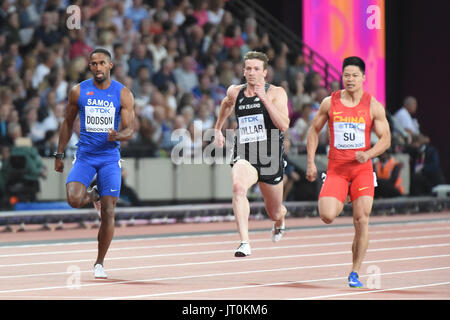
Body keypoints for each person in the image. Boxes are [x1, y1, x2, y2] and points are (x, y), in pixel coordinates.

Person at [306, 56, 391, 287]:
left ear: (363, 77)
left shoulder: (373, 105)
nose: (350, 79)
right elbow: (313, 131)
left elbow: (386, 139)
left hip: (362, 170)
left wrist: (370, 153)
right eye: (346, 75)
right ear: (341, 77)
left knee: (361, 220)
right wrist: (312, 162)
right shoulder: (329, 103)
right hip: (336, 170)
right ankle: (344, 194)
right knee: (327, 215)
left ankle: (355, 272)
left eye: (354, 75)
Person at [54, 48, 135, 279]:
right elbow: (68, 123)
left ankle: (99, 262)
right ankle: (95, 195)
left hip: (109, 158)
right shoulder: (78, 91)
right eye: (93, 64)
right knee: (73, 198)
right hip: (86, 156)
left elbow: (130, 129)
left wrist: (117, 135)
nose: (97, 67)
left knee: (109, 211)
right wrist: (59, 155)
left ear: (111, 65)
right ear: (90, 67)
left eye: (102, 63)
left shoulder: (123, 93)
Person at [213, 51, 290, 257]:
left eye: (256, 69)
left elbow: (283, 125)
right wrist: (218, 128)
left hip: (270, 156)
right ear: (243, 71)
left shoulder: (276, 93)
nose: (251, 72)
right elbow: (226, 105)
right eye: (248, 68)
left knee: (273, 211)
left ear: (265, 72)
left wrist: (264, 99)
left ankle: (281, 219)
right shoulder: (235, 91)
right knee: (238, 188)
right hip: (245, 152)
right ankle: (244, 242)